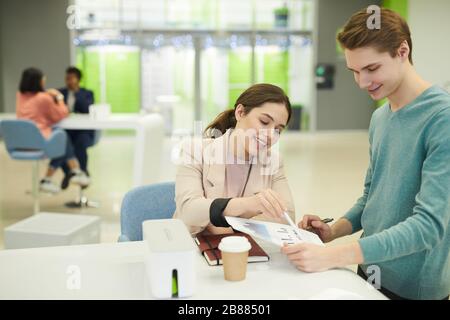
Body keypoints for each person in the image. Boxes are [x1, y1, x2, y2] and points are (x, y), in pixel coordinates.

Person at [281, 8, 450, 300]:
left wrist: (335, 256)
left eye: (371, 69)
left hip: (413, 288)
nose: (362, 82)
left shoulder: (441, 119)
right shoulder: (380, 118)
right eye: (355, 72)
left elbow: (428, 227)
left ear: (402, 51)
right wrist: (333, 232)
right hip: (369, 271)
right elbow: (372, 198)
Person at [173, 83, 295, 236]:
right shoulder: (194, 151)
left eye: (278, 130)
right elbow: (188, 212)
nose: (270, 135)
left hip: (245, 252)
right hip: (193, 250)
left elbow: (287, 218)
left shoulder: (273, 161)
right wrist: (250, 205)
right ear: (240, 112)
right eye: (264, 122)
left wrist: (217, 219)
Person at [16, 67, 90, 193]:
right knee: (61, 137)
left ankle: (53, 178)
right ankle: (75, 171)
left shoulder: (20, 96)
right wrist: (59, 98)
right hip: (39, 143)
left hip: (22, 143)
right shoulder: (44, 97)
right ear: (38, 81)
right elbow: (62, 113)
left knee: (60, 137)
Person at [58, 66, 95, 190]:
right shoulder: (60, 94)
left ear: (78, 79)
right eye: (66, 78)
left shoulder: (87, 93)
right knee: (61, 142)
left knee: (81, 142)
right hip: (66, 130)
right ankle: (69, 172)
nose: (68, 81)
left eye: (71, 78)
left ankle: (82, 171)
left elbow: (87, 109)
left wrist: (76, 93)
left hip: (83, 130)